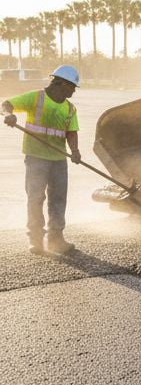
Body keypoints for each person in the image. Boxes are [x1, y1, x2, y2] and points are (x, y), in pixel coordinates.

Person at [2, 65, 82, 253]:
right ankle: (36, 239)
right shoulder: (36, 98)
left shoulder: (70, 108)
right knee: (36, 197)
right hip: (36, 158)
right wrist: (9, 115)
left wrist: (75, 150)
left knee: (58, 199)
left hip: (59, 159)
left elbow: (71, 131)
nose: (73, 91)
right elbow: (6, 104)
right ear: (60, 83)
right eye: (72, 87)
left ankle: (56, 239)